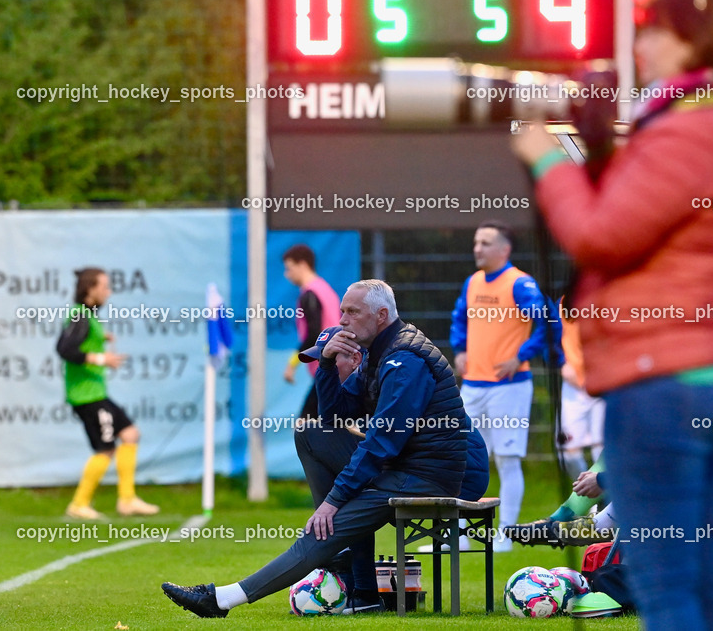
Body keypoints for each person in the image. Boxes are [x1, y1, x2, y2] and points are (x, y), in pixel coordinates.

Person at [512, 0, 713, 629]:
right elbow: (649, 224)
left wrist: (548, 159)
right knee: (704, 584)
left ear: (692, 41)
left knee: (668, 592)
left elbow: (600, 235)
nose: (641, 44)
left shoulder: (689, 129)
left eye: (653, 30)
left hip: (666, 377)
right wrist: (602, 149)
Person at [162, 280, 484, 618]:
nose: (342, 319)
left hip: (429, 478)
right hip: (406, 467)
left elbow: (383, 443)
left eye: (352, 312)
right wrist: (327, 365)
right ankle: (352, 574)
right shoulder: (379, 354)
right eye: (342, 311)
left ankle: (222, 599)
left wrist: (334, 502)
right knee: (310, 435)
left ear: (382, 315)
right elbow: (332, 420)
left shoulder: (404, 360)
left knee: (322, 529)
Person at [450, 220, 548, 551]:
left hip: (510, 386)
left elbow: (546, 322)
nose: (477, 248)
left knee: (507, 458)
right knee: (462, 458)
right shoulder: (473, 281)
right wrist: (460, 349)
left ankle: (505, 534)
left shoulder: (520, 283)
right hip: (473, 386)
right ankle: (459, 535)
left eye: (486, 243)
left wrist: (522, 355)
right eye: (476, 242)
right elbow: (459, 318)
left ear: (504, 249)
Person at [57, 267, 159, 520]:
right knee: (105, 449)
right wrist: (102, 357)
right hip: (87, 395)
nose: (108, 292)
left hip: (95, 392)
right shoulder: (80, 316)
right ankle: (79, 503)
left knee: (130, 434)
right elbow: (65, 349)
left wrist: (99, 339)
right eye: (104, 286)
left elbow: (80, 343)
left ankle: (127, 499)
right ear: (90, 290)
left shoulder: (87, 317)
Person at [282, 244, 341, 419]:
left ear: (303, 265)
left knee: (305, 423)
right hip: (338, 364)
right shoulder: (325, 289)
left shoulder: (310, 294)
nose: (287, 275)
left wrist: (292, 364)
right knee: (325, 422)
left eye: (289, 268)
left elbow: (315, 334)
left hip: (328, 367)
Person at [558, 303, 605, 480]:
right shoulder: (563, 301)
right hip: (572, 387)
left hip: (602, 383)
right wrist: (561, 362)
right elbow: (549, 337)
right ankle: (586, 500)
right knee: (568, 454)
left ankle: (604, 499)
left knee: (600, 451)